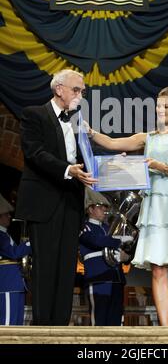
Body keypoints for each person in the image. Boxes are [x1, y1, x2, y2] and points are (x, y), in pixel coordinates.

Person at [88, 86, 168, 326]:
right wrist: (89, 132)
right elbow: (111, 142)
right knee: (158, 268)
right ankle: (165, 328)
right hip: (155, 206)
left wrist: (159, 166)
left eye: (166, 106)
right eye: (158, 106)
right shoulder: (148, 137)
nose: (161, 110)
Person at [16, 69, 97, 326]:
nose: (80, 95)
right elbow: (35, 152)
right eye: (76, 90)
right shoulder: (34, 115)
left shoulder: (77, 122)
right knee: (45, 266)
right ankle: (42, 329)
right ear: (59, 89)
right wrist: (67, 169)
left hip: (71, 202)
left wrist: (111, 167)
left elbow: (86, 159)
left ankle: (61, 327)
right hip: (44, 201)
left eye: (82, 91)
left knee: (66, 267)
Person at [79, 188, 130, 326]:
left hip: (116, 279)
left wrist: (126, 257)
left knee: (116, 322)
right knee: (99, 321)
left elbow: (125, 249)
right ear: (90, 209)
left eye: (105, 207)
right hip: (98, 279)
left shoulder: (109, 228)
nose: (104, 210)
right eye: (100, 206)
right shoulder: (85, 226)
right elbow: (96, 241)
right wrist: (119, 240)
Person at [0, 193, 31, 325]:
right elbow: (14, 253)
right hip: (7, 284)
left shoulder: (5, 234)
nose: (9, 216)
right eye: (6, 214)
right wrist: (31, 242)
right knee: (8, 324)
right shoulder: (0, 236)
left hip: (14, 284)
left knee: (17, 324)